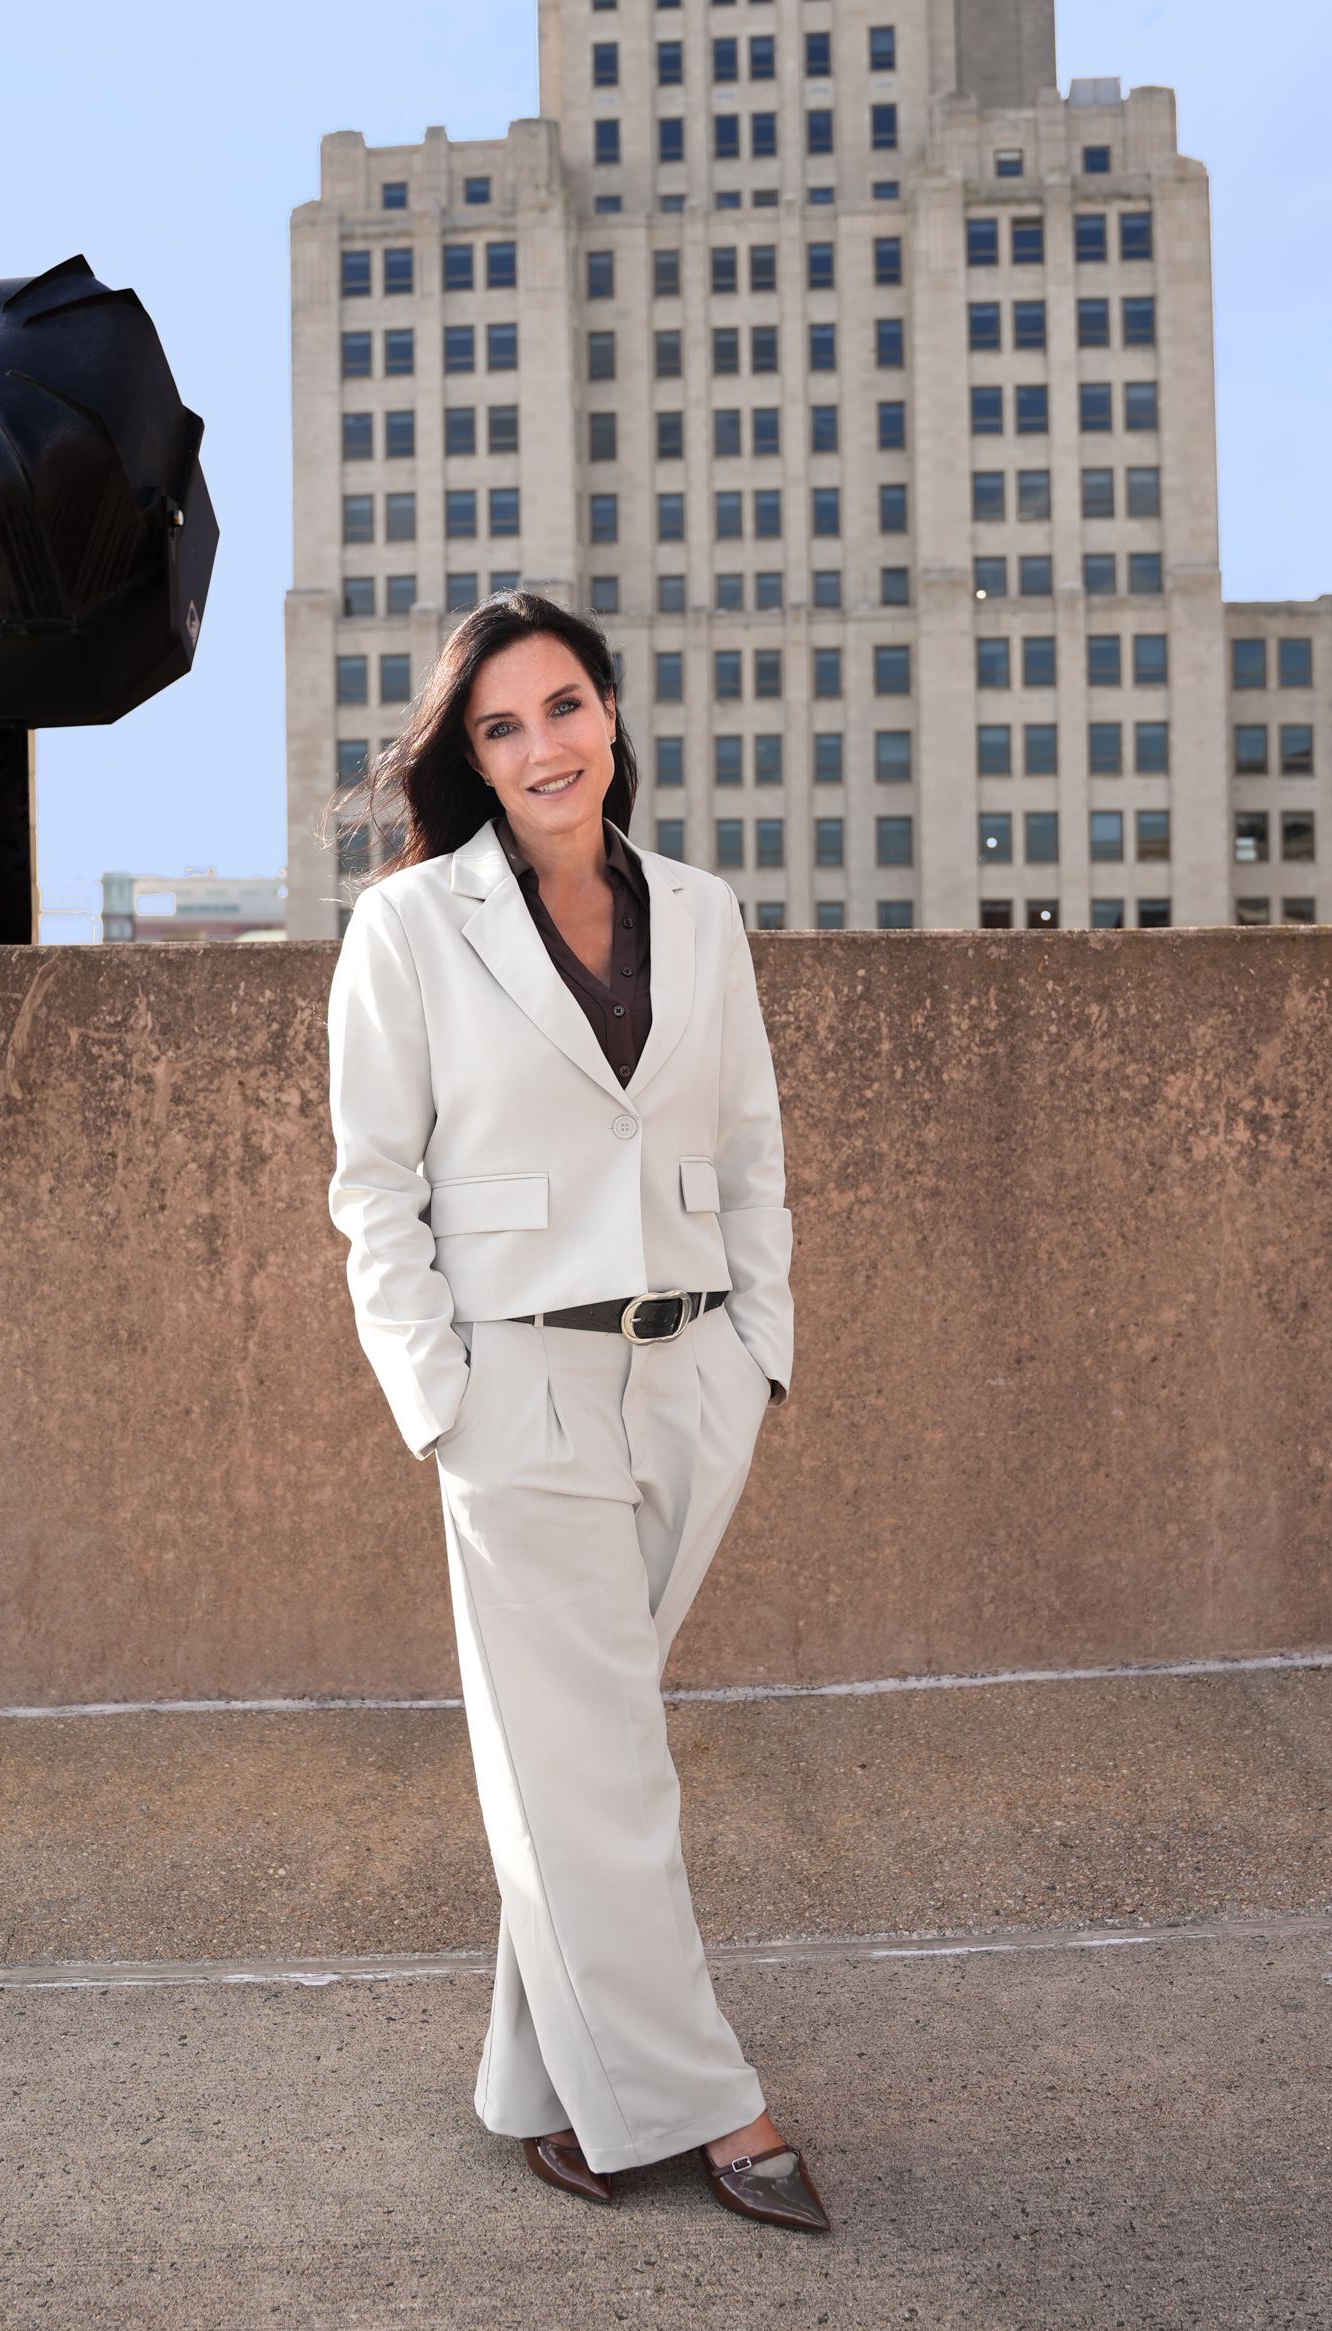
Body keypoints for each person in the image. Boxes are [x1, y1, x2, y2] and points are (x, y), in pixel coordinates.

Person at [323, 590, 830, 2235]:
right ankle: (710, 2104)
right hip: (516, 1391)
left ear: (610, 714)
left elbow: (750, 1140)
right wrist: (440, 1404)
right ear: (470, 759)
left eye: (564, 706)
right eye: (501, 724)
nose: (543, 744)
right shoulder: (410, 928)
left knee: (574, 1759)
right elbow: (374, 1192)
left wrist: (760, 1345)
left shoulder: (704, 910)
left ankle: (531, 2085)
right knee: (602, 1768)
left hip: (693, 1381)